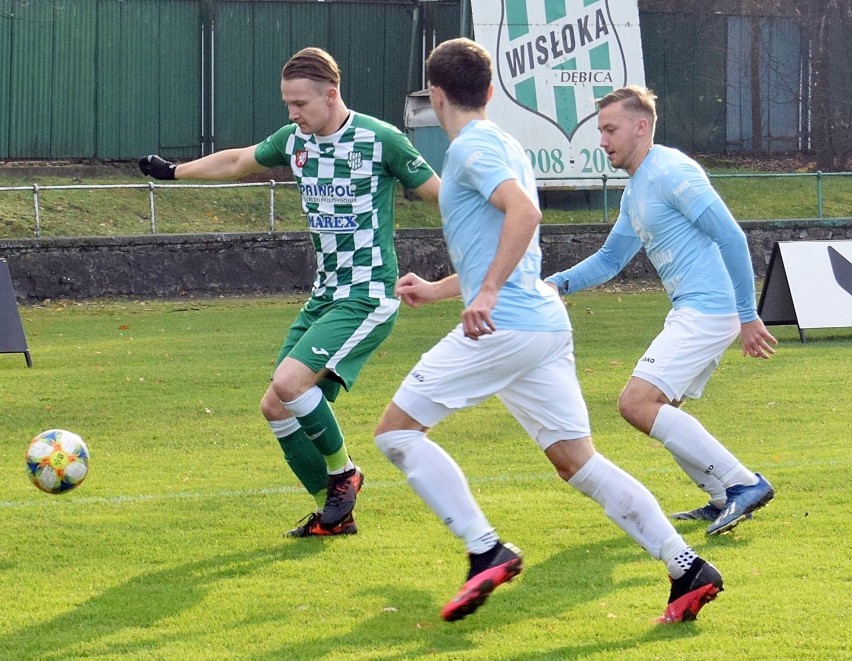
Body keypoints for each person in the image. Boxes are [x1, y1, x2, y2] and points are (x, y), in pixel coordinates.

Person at [374, 38, 722, 625]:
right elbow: (503, 241)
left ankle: (486, 549)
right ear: (489, 91)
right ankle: (686, 565)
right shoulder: (506, 141)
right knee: (578, 463)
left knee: (395, 436)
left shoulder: (470, 150)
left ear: (435, 97)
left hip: (506, 325)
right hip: (540, 324)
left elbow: (524, 215)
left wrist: (484, 295)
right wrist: (438, 289)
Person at [140, 47, 440, 537]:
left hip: (367, 295)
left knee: (288, 384)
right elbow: (237, 161)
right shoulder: (295, 140)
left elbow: (442, 197)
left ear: (331, 94)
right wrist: (174, 172)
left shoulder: (381, 139)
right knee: (276, 406)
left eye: (300, 103)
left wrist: (498, 217)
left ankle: (345, 474)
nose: (292, 114)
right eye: (288, 104)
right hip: (324, 296)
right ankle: (332, 516)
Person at [545, 85, 776, 537]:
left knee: (636, 403)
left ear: (641, 126)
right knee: (662, 405)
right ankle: (718, 496)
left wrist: (748, 315)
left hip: (709, 310)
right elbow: (611, 261)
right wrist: (556, 284)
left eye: (610, 129)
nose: (603, 140)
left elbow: (731, 236)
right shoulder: (637, 190)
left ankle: (743, 483)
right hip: (695, 309)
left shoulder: (671, 171)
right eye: (601, 130)